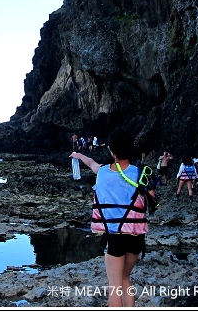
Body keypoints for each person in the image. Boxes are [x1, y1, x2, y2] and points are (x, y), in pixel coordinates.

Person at [70, 130, 150, 307]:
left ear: (111, 151)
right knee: (125, 278)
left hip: (115, 237)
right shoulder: (141, 173)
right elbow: (151, 198)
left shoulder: (103, 172)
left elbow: (90, 163)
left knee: (115, 287)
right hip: (137, 238)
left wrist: (77, 155)